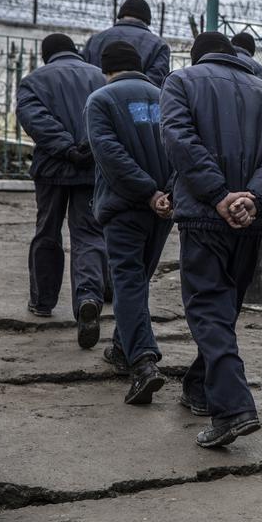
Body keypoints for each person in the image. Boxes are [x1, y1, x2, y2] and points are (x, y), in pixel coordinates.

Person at [161, 32, 262, 447]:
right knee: (224, 308)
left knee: (208, 309)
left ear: (200, 56)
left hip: (206, 215)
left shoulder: (182, 81)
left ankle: (234, 408)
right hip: (249, 221)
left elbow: (179, 140)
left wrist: (219, 196)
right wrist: (252, 199)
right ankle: (200, 387)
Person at [85, 41, 173, 404]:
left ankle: (143, 363)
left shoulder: (101, 100)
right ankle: (123, 348)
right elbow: (182, 147)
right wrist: (166, 193)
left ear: (106, 69)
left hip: (126, 206)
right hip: (163, 208)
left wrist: (146, 191)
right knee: (138, 281)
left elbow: (111, 156)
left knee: (127, 281)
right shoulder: (166, 96)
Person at [16, 33, 107, 348]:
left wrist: (67, 149)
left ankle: (43, 302)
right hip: (92, 169)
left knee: (47, 231)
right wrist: (88, 148)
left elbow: (36, 121)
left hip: (53, 168)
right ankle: (88, 299)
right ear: (75, 51)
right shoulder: (99, 77)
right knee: (89, 235)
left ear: (46, 55)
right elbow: (107, 119)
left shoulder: (33, 81)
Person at [82, 0, 170, 87]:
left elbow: (83, 73)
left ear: (121, 15)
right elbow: (155, 84)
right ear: (147, 20)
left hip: (93, 97)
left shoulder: (95, 39)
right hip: (134, 98)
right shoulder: (158, 45)